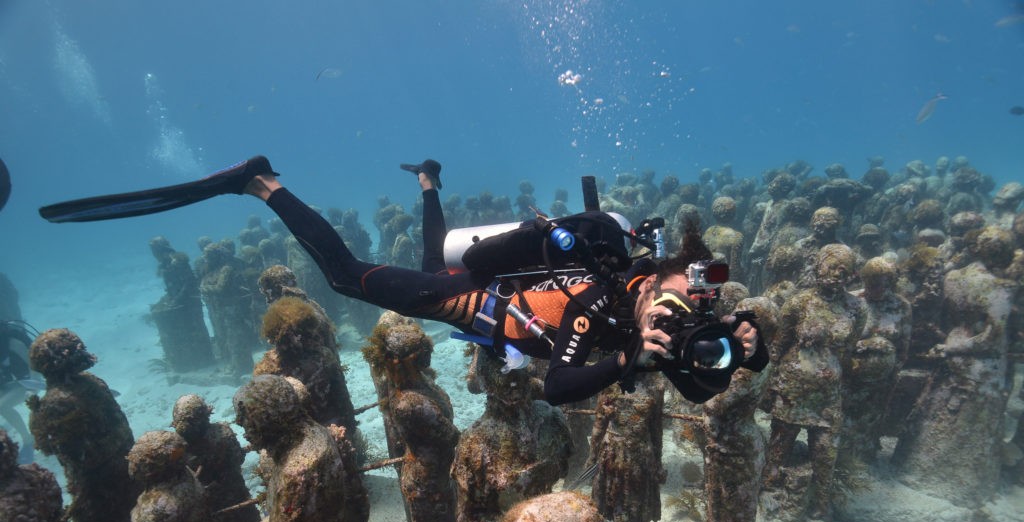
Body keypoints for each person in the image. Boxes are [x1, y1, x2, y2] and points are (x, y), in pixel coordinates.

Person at [236, 156, 766, 405]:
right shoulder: (600, 301)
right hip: (481, 301)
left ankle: (428, 183)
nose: (667, 317)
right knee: (346, 277)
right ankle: (266, 183)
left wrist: (750, 349)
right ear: (647, 283)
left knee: (428, 264)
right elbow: (556, 386)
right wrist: (625, 359)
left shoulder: (676, 331)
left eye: (682, 308)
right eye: (665, 300)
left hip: (508, 309)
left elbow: (701, 386)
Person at [0, 320, 36, 463]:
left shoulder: (13, 341)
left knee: (2, 406)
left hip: (27, 383)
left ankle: (28, 440)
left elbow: (34, 366)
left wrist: (32, 389)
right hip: (9, 384)